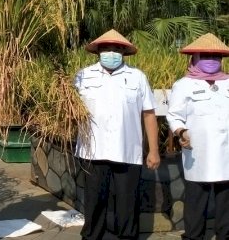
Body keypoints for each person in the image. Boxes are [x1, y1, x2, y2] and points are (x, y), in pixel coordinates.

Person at [74, 29, 160, 240]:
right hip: (93, 149)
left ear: (123, 52)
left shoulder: (137, 77)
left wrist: (154, 150)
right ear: (98, 52)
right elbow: (70, 110)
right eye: (106, 48)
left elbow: (149, 114)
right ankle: (92, 237)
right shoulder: (83, 76)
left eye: (116, 49)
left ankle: (128, 237)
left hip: (128, 149)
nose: (111, 52)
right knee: (94, 200)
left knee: (127, 202)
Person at [166, 33, 229, 240]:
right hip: (198, 152)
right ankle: (193, 237)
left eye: (216, 56)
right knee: (196, 199)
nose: (211, 60)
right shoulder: (183, 85)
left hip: (226, 152)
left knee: (226, 201)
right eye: (206, 55)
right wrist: (181, 132)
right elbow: (174, 115)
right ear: (194, 57)